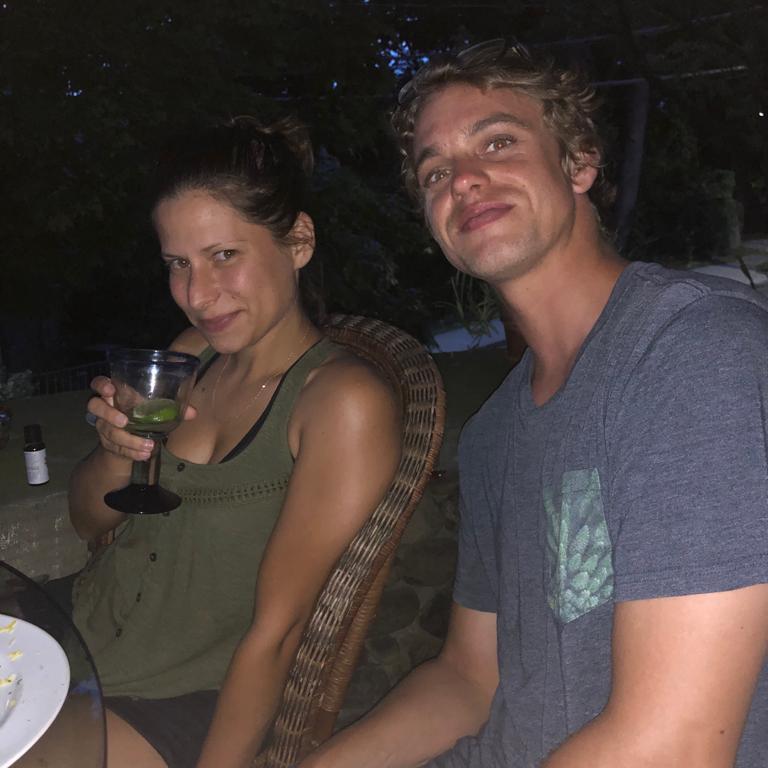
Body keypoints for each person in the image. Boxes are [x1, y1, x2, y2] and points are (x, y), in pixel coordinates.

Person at [300, 39, 768, 768]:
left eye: (497, 142)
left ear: (578, 163)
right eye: (435, 171)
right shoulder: (492, 436)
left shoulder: (692, 353)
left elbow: (671, 746)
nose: (463, 179)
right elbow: (468, 678)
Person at [67, 115, 401, 768]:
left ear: (298, 241)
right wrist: (114, 450)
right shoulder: (192, 355)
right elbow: (88, 522)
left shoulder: (339, 403)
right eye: (178, 264)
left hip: (181, 699)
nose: (197, 295)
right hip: (84, 634)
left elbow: (278, 634)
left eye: (224, 255)